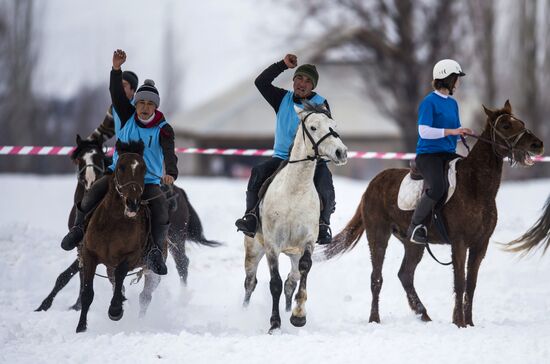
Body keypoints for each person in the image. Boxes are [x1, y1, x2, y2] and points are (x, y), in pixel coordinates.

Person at [60, 49, 178, 275]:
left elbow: (170, 153)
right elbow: (116, 94)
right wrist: (116, 70)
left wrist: (171, 171)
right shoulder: (126, 116)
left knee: (161, 207)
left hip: (148, 180)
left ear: (156, 107)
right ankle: (78, 230)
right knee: (92, 192)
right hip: (117, 175)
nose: (144, 107)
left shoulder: (164, 129)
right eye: (140, 102)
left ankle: (154, 251)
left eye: (149, 104)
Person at [235, 54, 336, 245]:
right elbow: (260, 82)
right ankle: (251, 216)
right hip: (282, 158)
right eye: (299, 78)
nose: (302, 83)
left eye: (308, 81)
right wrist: (282, 65)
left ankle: (323, 225)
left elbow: (326, 132)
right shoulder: (281, 98)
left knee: (326, 185)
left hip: (312, 160)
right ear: (293, 80)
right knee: (258, 172)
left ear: (313, 86)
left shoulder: (321, 103)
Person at [407, 59, 473, 244]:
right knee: (438, 187)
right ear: (448, 79)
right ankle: (416, 226)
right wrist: (452, 131)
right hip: (429, 155)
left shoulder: (453, 104)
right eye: (457, 78)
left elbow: (455, 129)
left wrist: (463, 133)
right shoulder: (429, 102)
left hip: (448, 153)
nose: (459, 82)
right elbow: (424, 131)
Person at [87, 70, 139, 143]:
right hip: (120, 153)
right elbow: (104, 131)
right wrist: (85, 145)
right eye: (118, 85)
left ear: (133, 90)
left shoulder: (141, 108)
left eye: (123, 86)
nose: (119, 89)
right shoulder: (114, 108)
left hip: (139, 153)